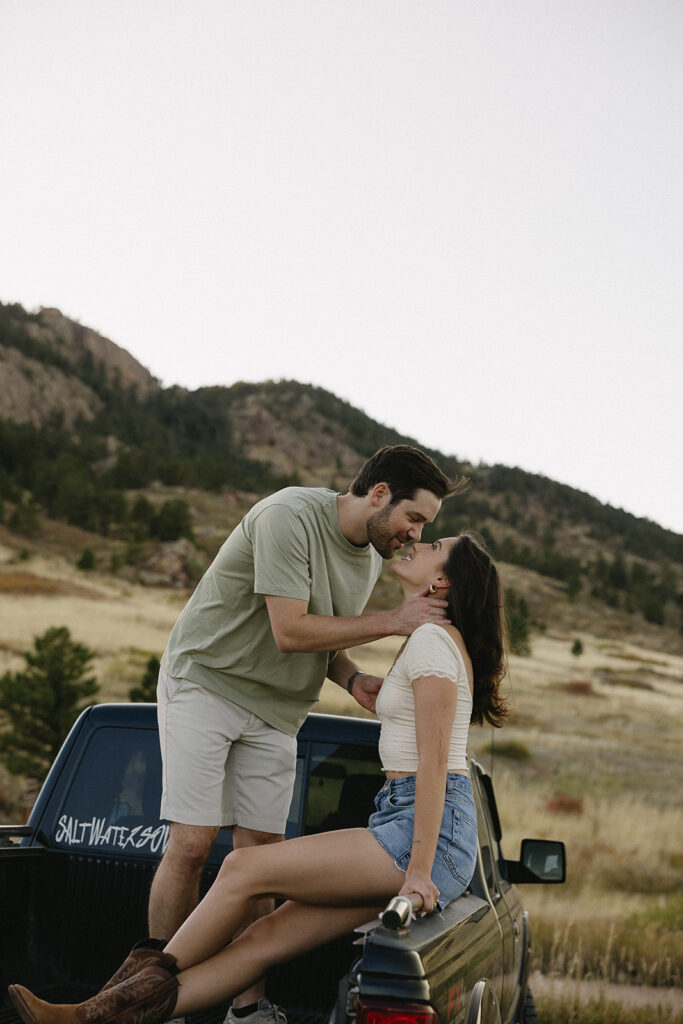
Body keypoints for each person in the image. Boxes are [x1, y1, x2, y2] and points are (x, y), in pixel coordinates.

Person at [9, 531, 509, 1024]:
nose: (418, 543)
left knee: (241, 869)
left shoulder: (433, 642)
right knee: (262, 939)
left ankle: (95, 1009)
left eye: (434, 546)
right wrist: (358, 681)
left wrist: (419, 871)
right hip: (408, 826)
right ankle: (101, 1019)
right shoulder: (428, 640)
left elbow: (437, 768)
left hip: (426, 835)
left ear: (442, 581)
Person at [149, 445, 456, 1023]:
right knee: (191, 845)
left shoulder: (367, 558)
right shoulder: (289, 515)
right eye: (414, 519)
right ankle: (153, 1001)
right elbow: (290, 630)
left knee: (260, 857)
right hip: (207, 684)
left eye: (425, 529)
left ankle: (246, 1010)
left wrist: (351, 678)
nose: (414, 537)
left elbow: (325, 636)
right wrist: (395, 620)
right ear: (380, 493)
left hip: (277, 711)